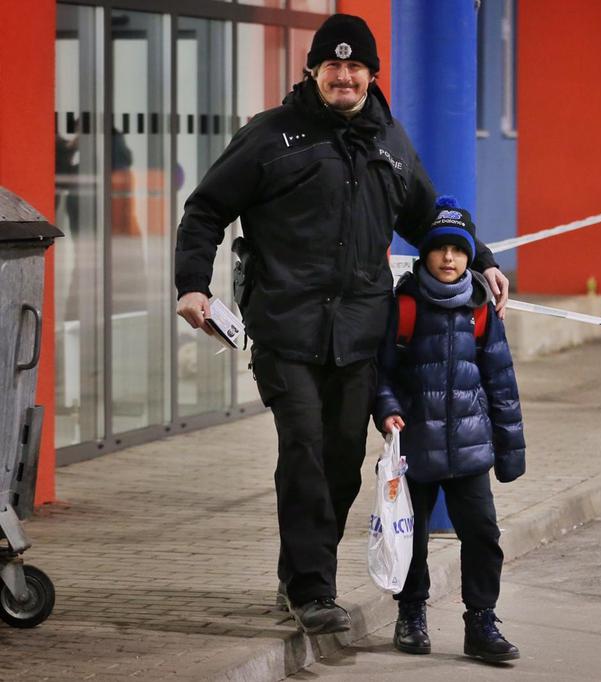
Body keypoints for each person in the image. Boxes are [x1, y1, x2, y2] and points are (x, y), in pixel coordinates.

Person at [173, 14, 510, 636]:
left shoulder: (389, 143)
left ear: (372, 76)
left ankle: (298, 571)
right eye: (333, 66)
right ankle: (313, 590)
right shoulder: (273, 137)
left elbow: (429, 216)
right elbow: (206, 208)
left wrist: (481, 259)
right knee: (302, 445)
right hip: (286, 327)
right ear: (313, 72)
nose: (345, 76)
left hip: (360, 332)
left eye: (356, 68)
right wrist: (192, 284)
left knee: (341, 458)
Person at [375, 197, 525, 662]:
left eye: (457, 250)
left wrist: (510, 452)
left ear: (468, 256)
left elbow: (501, 382)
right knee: (412, 537)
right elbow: (381, 373)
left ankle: (481, 622)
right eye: (439, 249)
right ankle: (411, 613)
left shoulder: (480, 311)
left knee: (482, 534)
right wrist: (387, 410)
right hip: (415, 451)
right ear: (425, 254)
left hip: (469, 449)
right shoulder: (403, 307)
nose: (447, 259)